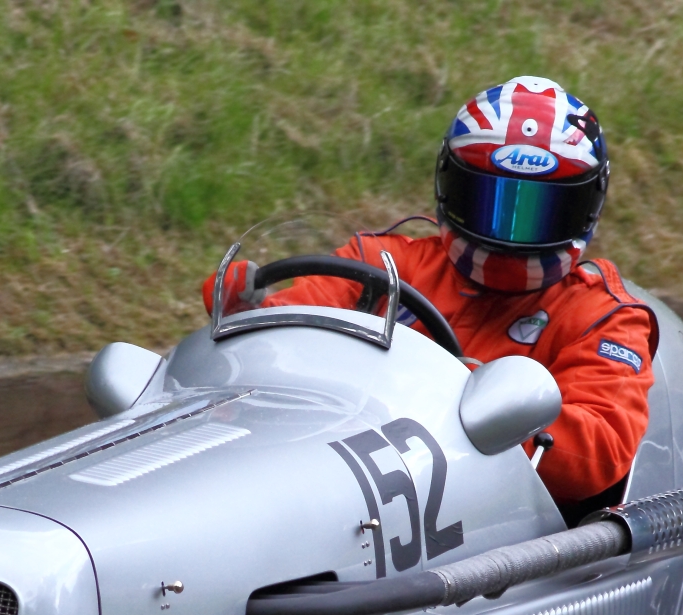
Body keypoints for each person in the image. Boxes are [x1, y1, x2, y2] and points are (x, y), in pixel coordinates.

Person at [203, 76, 655, 514]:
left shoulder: (602, 316)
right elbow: (298, 323)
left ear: (586, 208)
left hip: (493, 531)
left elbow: (601, 453)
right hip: (344, 490)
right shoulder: (382, 264)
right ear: (449, 184)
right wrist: (253, 315)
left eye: (538, 213)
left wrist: (480, 405)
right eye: (489, 203)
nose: (509, 232)